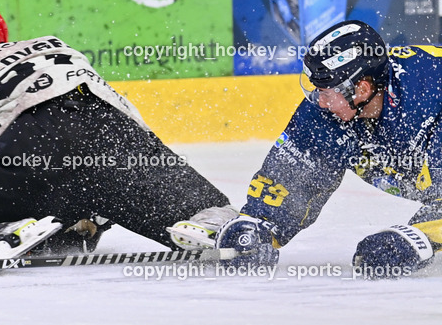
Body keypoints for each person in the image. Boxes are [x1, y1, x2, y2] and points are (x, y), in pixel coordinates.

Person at [0, 0, 234, 264]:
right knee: (198, 220)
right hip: (113, 137)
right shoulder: (57, 49)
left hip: (32, 150)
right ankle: (226, 227)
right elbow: (126, 116)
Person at [172, 19, 442, 276]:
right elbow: (294, 177)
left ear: (361, 89)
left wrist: (420, 237)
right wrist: (258, 225)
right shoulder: (326, 111)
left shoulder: (430, 97)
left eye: (327, 91)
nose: (319, 101)